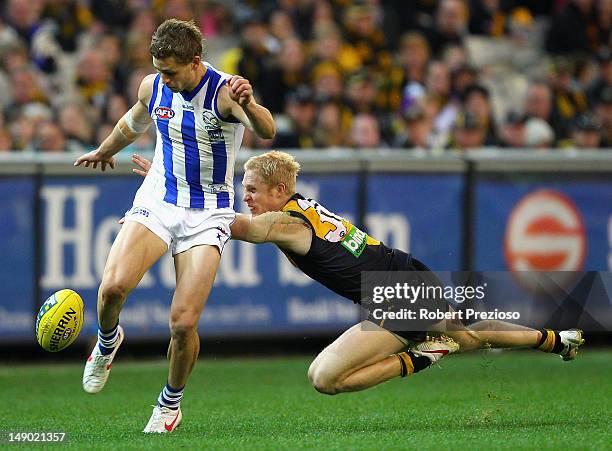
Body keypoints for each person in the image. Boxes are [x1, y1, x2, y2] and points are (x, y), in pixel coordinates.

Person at [131, 150, 585, 396]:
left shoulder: (285, 220)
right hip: (403, 271)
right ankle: (559, 339)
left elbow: (240, 227)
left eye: (251, 189)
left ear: (280, 189)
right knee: (467, 334)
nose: (244, 196)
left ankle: (421, 357)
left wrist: (170, 191)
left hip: (394, 289)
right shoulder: (300, 207)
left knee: (325, 378)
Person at [73, 18, 275, 433]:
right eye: (158, 68)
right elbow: (134, 121)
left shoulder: (224, 92)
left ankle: (169, 403)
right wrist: (104, 149)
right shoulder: (154, 85)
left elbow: (266, 129)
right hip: (160, 196)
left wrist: (251, 104)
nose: (161, 77)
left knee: (183, 324)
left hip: (208, 212)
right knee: (111, 288)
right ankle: (108, 342)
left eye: (169, 71)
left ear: (195, 62)